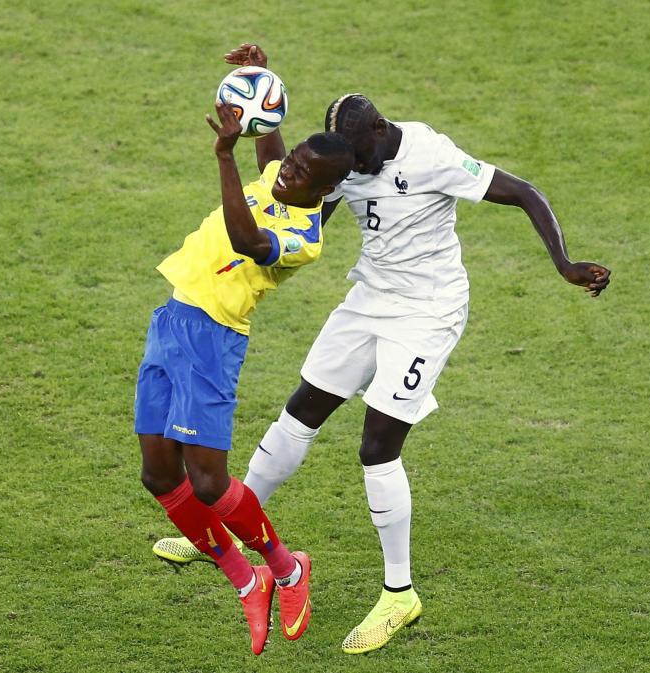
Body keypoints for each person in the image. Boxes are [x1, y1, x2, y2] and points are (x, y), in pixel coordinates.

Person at [152, 43, 612, 655]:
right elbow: (289, 179)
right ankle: (232, 522)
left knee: (376, 447)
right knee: (301, 411)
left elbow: (523, 190)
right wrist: (260, 97)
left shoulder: (431, 155)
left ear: (378, 128)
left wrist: (564, 263)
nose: (351, 173)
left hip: (426, 313)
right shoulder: (348, 161)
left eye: (356, 158)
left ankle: (400, 594)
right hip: (368, 300)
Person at [136, 88, 355, 655]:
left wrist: (225, 156)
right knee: (159, 475)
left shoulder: (304, 239)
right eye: (291, 160)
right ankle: (246, 579)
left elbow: (245, 239)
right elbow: (270, 141)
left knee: (208, 482)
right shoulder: (280, 176)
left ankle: (287, 569)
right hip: (172, 321)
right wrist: (261, 74)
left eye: (302, 172)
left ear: (325, 190)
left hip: (213, 340)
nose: (286, 173)